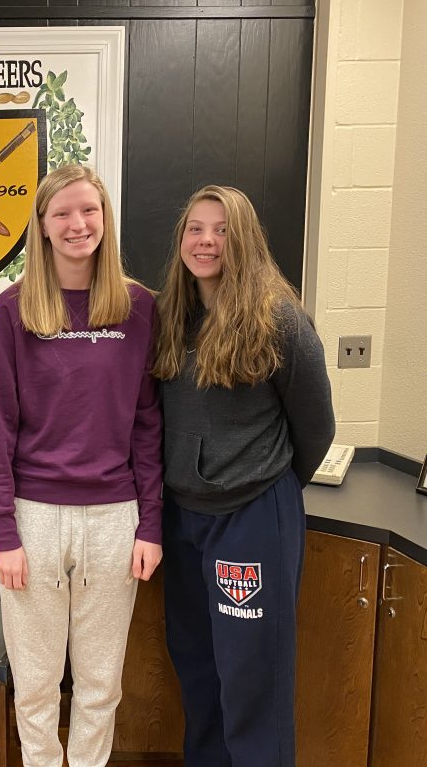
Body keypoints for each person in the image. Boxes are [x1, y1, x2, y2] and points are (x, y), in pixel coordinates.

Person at [0, 164, 163, 767]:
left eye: (89, 210)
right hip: (32, 518)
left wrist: (150, 523)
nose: (77, 223)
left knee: (100, 683)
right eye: (62, 213)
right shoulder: (13, 309)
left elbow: (147, 425)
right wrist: (2, 532)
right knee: (34, 683)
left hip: (115, 518)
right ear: (41, 225)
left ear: (105, 217)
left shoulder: (138, 307)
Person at [152, 185, 335, 767]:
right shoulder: (170, 318)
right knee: (197, 664)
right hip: (183, 516)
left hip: (251, 518)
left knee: (253, 676)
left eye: (223, 230)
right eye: (196, 229)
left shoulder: (280, 321)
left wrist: (262, 485)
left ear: (246, 240)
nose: (206, 241)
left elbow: (317, 429)